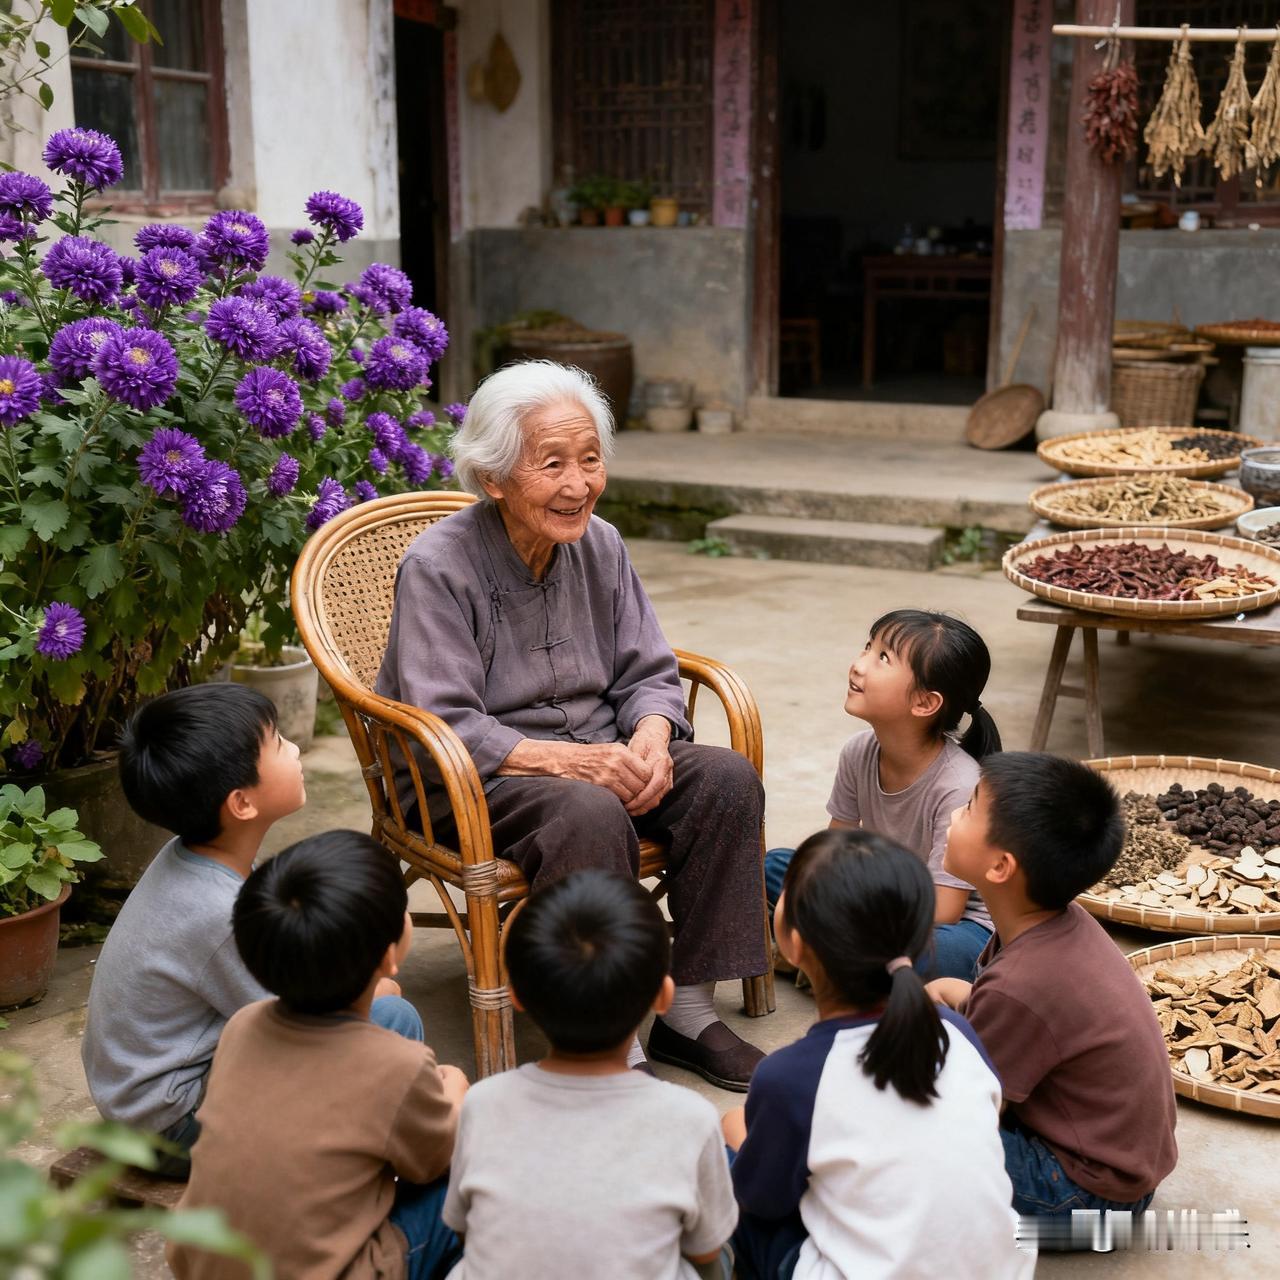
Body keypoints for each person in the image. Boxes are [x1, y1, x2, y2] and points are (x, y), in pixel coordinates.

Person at [377, 359, 768, 1088]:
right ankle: (614, 1037)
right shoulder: (439, 565)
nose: (578, 483)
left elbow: (649, 670)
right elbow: (443, 720)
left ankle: (685, 1013)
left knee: (725, 779)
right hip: (471, 780)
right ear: (494, 478)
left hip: (601, 755)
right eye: (551, 463)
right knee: (588, 810)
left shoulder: (602, 544)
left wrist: (650, 738)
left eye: (589, 460)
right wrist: (578, 763)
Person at [724, 830, 1032, 1280]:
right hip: (1001, 1270)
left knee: (720, 1154)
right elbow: (993, 1108)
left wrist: (738, 1135)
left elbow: (763, 1200)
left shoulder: (790, 1076)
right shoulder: (955, 1030)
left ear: (795, 944)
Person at [168, 831, 469, 1280]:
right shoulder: (398, 1068)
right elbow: (431, 1163)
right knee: (471, 1179)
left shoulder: (242, 1026)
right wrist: (457, 1098)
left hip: (203, 1264)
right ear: (390, 956)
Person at [442, 869, 738, 1279]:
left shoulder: (483, 1103)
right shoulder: (689, 1118)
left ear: (517, 996)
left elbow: (461, 1229)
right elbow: (705, 1252)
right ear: (663, 996)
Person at [929, 752, 1178, 1225]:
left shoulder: (1022, 982)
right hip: (1121, 1166)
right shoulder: (1055, 925)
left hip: (1087, 1194)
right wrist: (958, 997)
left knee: (900, 1121)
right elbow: (1026, 1021)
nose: (955, 814)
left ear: (1001, 867)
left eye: (968, 808)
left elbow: (975, 1108)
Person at [81, 684, 308, 1177]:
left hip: (132, 1100)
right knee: (385, 1020)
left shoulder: (186, 856)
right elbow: (302, 1021)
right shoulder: (220, 914)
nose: (294, 749)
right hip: (171, 1128)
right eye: (278, 743)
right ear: (242, 803)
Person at [763, 609, 1002, 981]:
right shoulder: (858, 751)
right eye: (867, 647)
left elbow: (945, 909)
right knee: (776, 867)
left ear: (924, 703)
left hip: (951, 925)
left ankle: (827, 959)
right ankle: (850, 965)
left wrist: (853, 909)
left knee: (943, 957)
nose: (859, 666)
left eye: (883, 658)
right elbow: (833, 852)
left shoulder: (958, 783)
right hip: (879, 899)